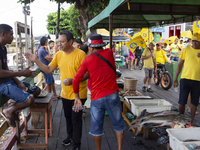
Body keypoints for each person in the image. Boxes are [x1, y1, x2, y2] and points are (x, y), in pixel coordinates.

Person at [25, 30, 89, 150]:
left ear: (70, 42)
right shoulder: (59, 55)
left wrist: (74, 80)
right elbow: (49, 70)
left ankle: (77, 144)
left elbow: (88, 73)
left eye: (62, 42)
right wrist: (36, 60)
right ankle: (70, 137)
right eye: (58, 41)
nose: (59, 44)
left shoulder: (80, 54)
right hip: (65, 94)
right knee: (68, 117)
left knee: (76, 119)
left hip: (78, 95)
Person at [73, 34, 124, 150]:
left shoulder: (87, 59)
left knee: (97, 128)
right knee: (118, 125)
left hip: (97, 98)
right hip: (112, 95)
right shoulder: (110, 53)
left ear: (90, 48)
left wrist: (77, 97)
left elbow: (76, 80)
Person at [0, 24, 41, 127]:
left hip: (9, 81)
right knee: (29, 99)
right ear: (3, 34)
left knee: (36, 90)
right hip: (2, 84)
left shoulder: (3, 48)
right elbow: (0, 73)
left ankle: (15, 106)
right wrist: (21, 73)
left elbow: (6, 69)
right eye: (11, 34)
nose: (12, 37)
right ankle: (9, 110)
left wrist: (18, 81)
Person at [173, 33, 200, 124]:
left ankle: (191, 121)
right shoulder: (186, 50)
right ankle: (181, 120)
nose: (195, 42)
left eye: (197, 41)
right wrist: (175, 78)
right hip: (185, 78)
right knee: (182, 101)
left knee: (194, 102)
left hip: (198, 80)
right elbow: (180, 64)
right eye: (193, 40)